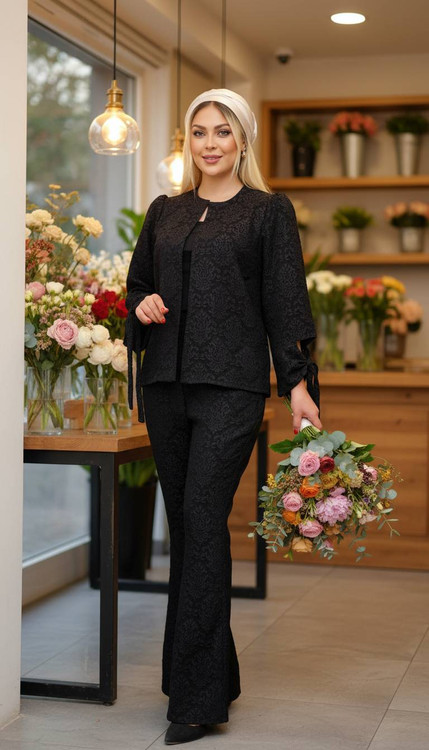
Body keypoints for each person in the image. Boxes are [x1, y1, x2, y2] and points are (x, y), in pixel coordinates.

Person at [125, 88, 322, 746]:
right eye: (199, 132)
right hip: (165, 388)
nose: (210, 143)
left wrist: (298, 384)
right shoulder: (165, 211)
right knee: (187, 530)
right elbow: (137, 286)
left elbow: (285, 300)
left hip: (231, 390)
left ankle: (196, 702)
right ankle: (211, 677)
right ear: (189, 141)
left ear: (242, 141)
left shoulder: (267, 212)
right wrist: (141, 306)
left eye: (222, 131)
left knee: (204, 521)